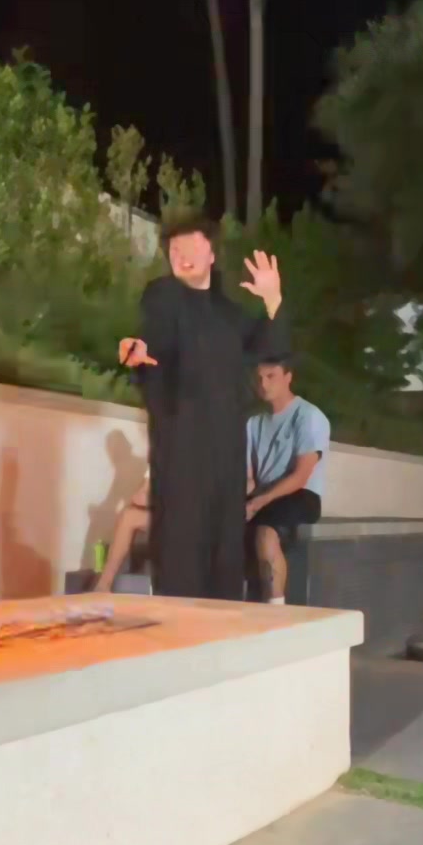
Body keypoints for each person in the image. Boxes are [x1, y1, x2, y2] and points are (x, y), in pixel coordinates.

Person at [119, 215, 289, 600]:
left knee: (225, 551)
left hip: (226, 450)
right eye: (174, 250)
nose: (183, 255)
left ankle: (223, 628)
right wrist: (139, 352)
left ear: (211, 253)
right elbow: (153, 339)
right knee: (181, 548)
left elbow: (271, 348)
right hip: (181, 442)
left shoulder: (231, 315)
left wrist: (273, 299)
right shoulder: (164, 295)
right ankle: (179, 628)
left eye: (192, 246)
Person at [245, 356, 330, 605]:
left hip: (300, 494)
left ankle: (276, 608)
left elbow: (301, 476)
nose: (263, 384)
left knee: (266, 531)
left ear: (288, 377)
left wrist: (258, 503)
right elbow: (249, 479)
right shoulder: (253, 423)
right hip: (264, 495)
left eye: (271, 376)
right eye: (259, 378)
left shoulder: (308, 416)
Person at [95, 472, 150, 593]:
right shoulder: (157, 464)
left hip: (187, 519)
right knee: (128, 517)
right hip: (166, 517)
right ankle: (103, 585)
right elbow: (138, 498)